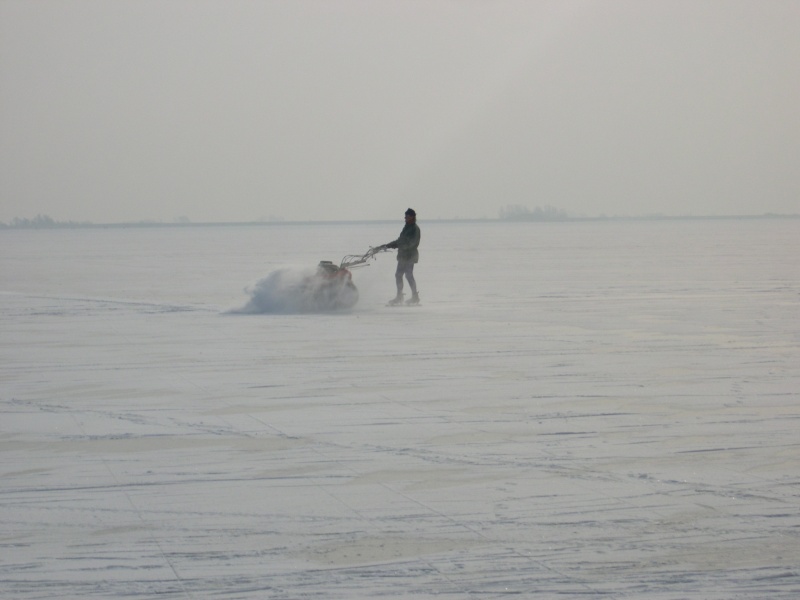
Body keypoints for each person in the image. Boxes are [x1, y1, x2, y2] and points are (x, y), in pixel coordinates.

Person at [382, 208, 421, 305]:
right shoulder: (406, 227)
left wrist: (402, 246)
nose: (405, 218)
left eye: (407, 216)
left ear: (412, 217)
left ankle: (415, 297)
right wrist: (387, 245)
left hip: (410, 256)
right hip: (402, 256)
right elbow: (399, 241)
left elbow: (413, 243)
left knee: (408, 275)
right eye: (405, 216)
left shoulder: (415, 229)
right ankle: (399, 296)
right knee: (398, 275)